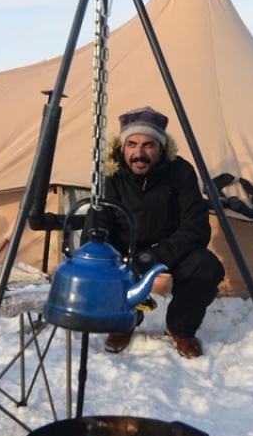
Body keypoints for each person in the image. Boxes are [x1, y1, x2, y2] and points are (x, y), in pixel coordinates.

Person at [88, 106, 225, 359]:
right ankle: (124, 321)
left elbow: (196, 228)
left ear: (162, 148)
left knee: (207, 267)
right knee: (98, 263)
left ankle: (180, 329)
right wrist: (116, 259)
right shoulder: (109, 175)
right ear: (122, 147)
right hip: (125, 253)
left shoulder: (181, 172)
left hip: (170, 251)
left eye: (148, 145)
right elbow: (96, 227)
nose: (139, 153)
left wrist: (155, 256)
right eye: (132, 144)